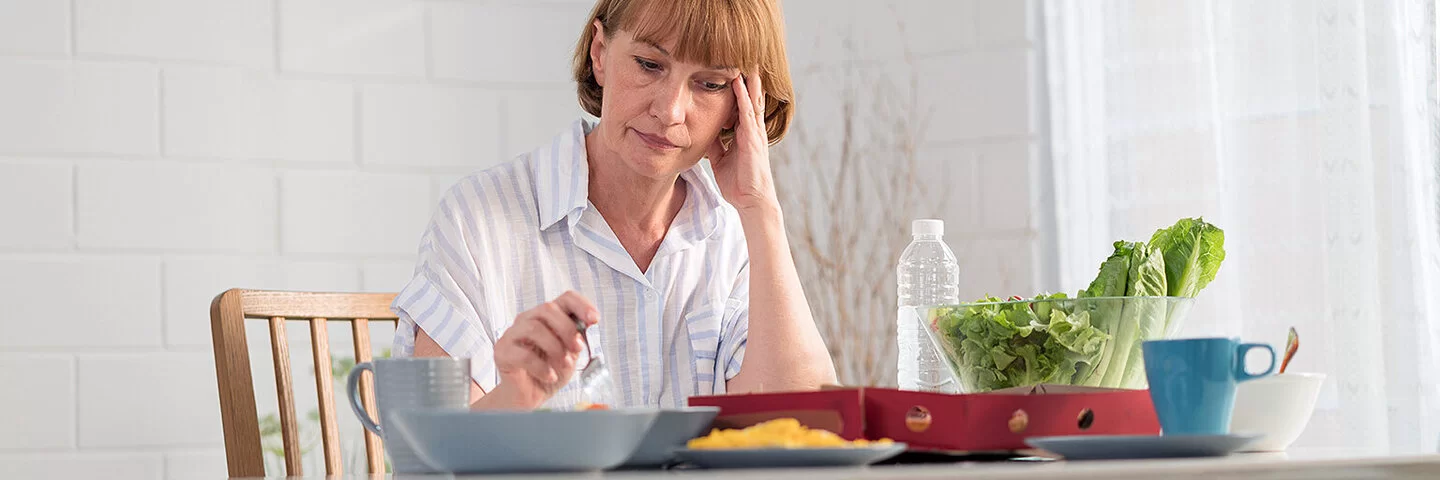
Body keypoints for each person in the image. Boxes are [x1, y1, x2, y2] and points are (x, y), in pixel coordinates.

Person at [391, 0, 836, 410]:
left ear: (740, 108)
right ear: (600, 53)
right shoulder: (477, 220)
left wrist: (762, 211)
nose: (670, 110)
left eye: (711, 84)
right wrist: (517, 397)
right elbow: (426, 458)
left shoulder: (733, 238)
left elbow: (807, 419)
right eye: (649, 64)